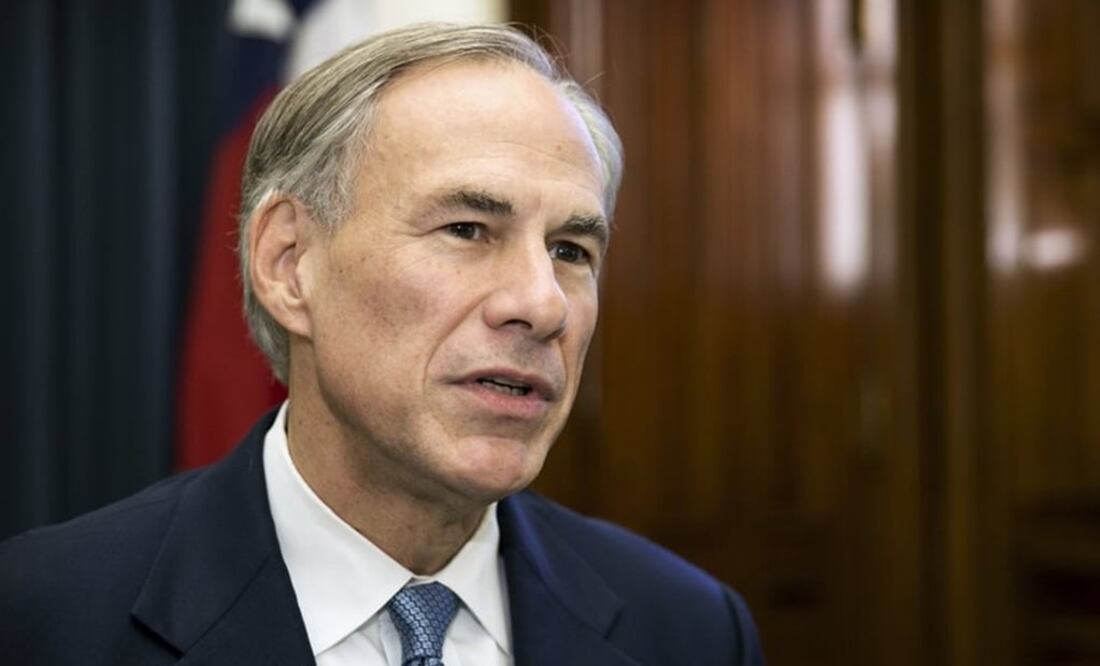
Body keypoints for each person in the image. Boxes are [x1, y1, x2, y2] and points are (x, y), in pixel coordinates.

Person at [0, 23, 763, 665]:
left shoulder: (690, 630)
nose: (542, 304)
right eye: (467, 230)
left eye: (571, 250)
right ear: (288, 264)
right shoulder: (44, 618)